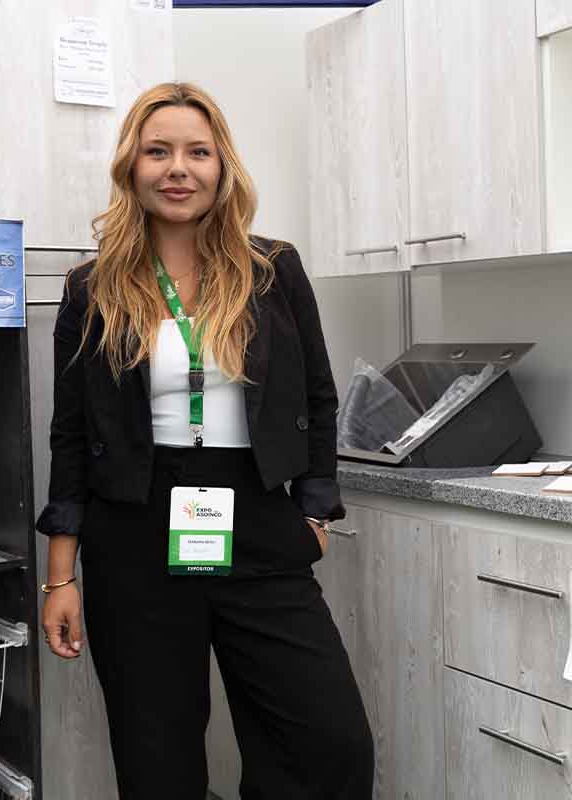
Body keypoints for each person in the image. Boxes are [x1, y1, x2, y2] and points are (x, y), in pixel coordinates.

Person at [36, 82, 373, 800]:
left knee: (327, 743)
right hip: (133, 534)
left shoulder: (271, 270)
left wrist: (314, 514)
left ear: (223, 166)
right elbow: (71, 434)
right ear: (132, 166)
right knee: (157, 759)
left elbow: (317, 394)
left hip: (258, 521)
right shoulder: (92, 287)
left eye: (198, 152)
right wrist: (61, 576)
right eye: (158, 151)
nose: (178, 169)